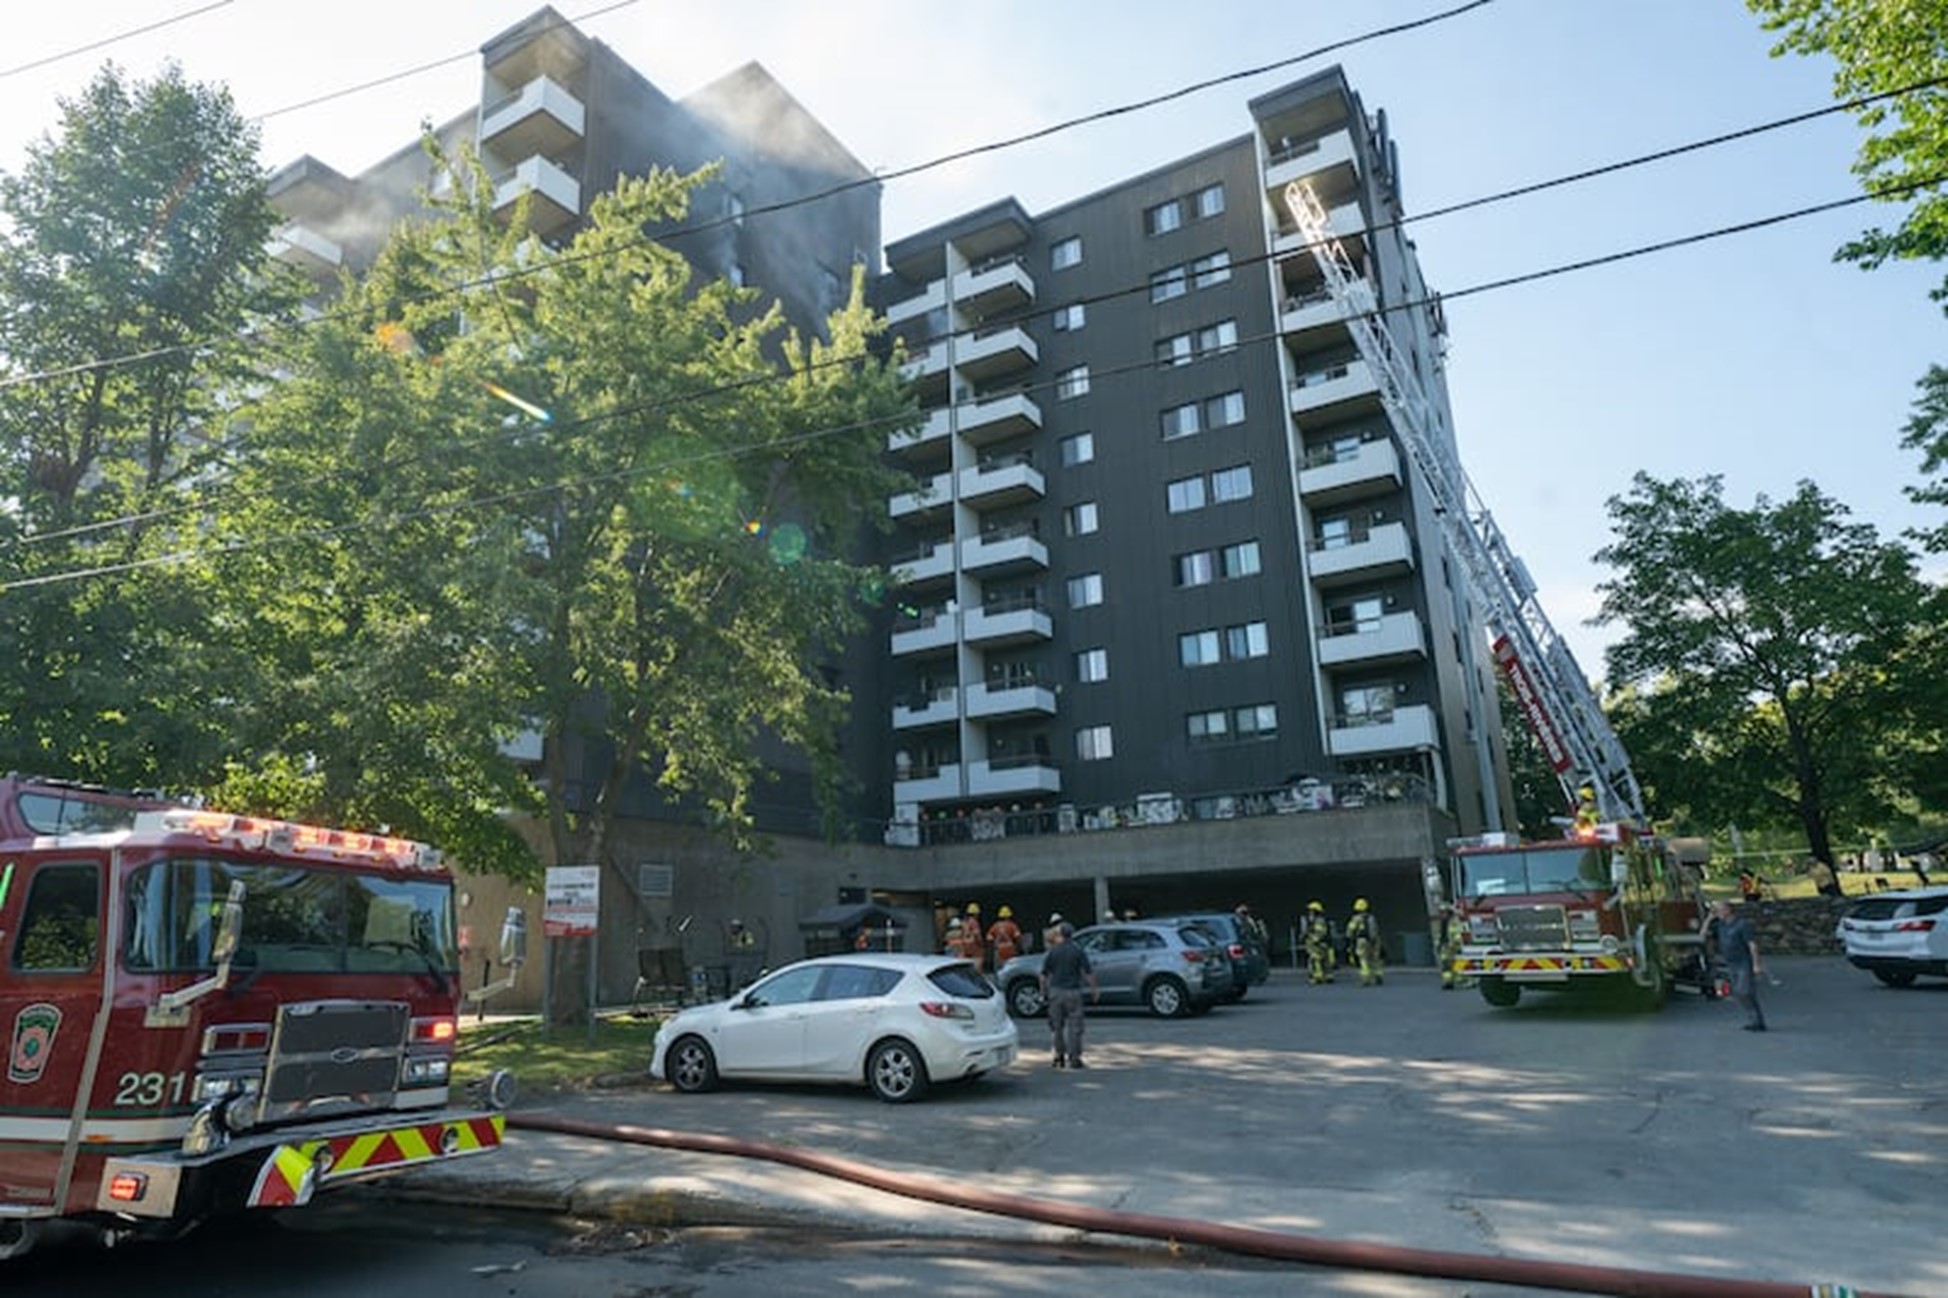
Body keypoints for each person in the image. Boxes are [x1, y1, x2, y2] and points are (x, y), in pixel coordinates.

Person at [1039, 921, 1098, 1069]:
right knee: (1075, 1027)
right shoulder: (1078, 951)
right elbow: (1088, 973)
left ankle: (1059, 1056)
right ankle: (1074, 1058)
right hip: (1073, 992)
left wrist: (1042, 992)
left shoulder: (1053, 951)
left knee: (1056, 1027)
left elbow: (1043, 975)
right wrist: (1094, 990)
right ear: (1071, 935)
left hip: (1056, 993)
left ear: (1060, 935)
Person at [1705, 899, 1767, 1031]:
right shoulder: (1720, 925)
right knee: (1741, 993)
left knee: (1744, 991)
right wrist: (1709, 919)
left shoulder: (1742, 925)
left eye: (1719, 910)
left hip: (1744, 962)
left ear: (1728, 910)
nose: (1717, 912)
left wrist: (1757, 964)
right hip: (1731, 963)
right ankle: (1756, 1021)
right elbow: (1702, 935)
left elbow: (1752, 945)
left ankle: (1757, 1020)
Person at [1346, 898, 1384, 987]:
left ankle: (1365, 978)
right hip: (1374, 940)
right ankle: (1378, 975)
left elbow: (1350, 931)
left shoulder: (1356, 919)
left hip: (1362, 941)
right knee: (1375, 959)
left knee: (1363, 959)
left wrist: (1349, 940)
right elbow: (1376, 930)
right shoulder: (1371, 917)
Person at [1302, 900, 1334, 985]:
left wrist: (1312, 940)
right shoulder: (1320, 920)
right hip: (1322, 944)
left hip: (1318, 944)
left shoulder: (1318, 921)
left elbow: (1320, 933)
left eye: (1311, 911)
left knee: (1315, 960)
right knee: (1323, 960)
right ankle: (1326, 976)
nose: (1310, 913)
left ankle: (1318, 976)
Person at [1437, 900, 1466, 990]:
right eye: (1441, 912)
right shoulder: (1442, 923)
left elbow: (1457, 934)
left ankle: (1461, 980)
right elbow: (1440, 935)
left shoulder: (1455, 921)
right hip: (1445, 947)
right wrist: (1438, 945)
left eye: (1444, 912)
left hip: (1454, 946)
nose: (1443, 914)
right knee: (1445, 965)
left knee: (1458, 964)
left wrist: (1456, 944)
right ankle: (1448, 982)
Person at [961, 903, 987, 973]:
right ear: (976, 914)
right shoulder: (974, 922)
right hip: (975, 947)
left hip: (966, 947)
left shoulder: (964, 922)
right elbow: (977, 935)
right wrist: (982, 944)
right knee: (977, 967)